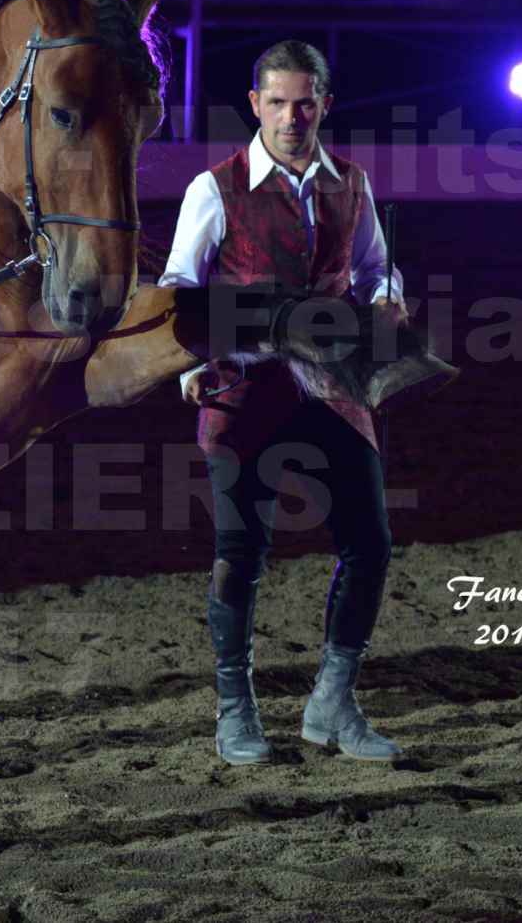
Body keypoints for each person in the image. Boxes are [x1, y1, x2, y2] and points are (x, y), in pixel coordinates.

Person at [158, 40, 409, 767]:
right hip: (244, 390)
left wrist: (389, 302)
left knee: (371, 543)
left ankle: (333, 703)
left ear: (325, 104)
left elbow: (372, 270)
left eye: (304, 103)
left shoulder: (352, 185)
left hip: (335, 387)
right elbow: (181, 286)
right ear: (255, 105)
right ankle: (234, 709)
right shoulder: (215, 188)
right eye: (277, 103)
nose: (291, 117)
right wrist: (192, 366)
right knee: (240, 550)